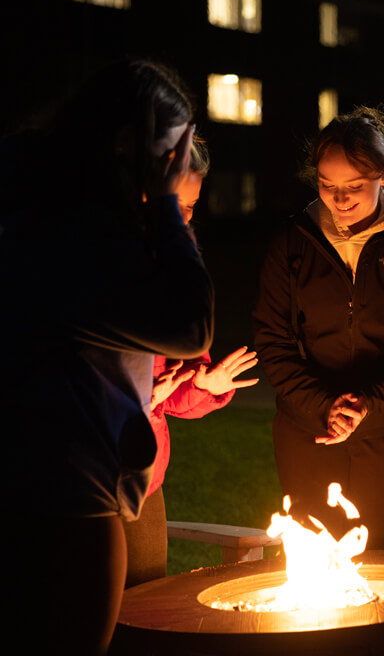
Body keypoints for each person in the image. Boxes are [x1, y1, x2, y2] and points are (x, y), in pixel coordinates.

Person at [1, 59, 214, 654]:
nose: (178, 166)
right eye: (173, 151)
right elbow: (191, 324)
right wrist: (169, 211)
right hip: (66, 497)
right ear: (130, 143)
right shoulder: (73, 237)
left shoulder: (44, 214)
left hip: (53, 482)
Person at [253, 106, 384, 550]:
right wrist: (324, 405)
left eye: (354, 187)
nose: (339, 199)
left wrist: (367, 404)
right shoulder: (293, 242)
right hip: (307, 432)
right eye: (327, 186)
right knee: (313, 568)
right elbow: (272, 341)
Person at [123, 137, 261, 588]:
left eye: (191, 207)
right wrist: (136, 401)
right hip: (80, 477)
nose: (182, 219)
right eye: (173, 205)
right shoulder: (91, 265)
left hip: (145, 479)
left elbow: (174, 387)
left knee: (144, 606)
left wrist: (207, 384)